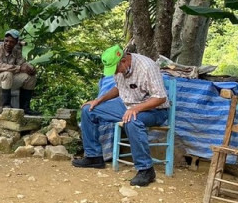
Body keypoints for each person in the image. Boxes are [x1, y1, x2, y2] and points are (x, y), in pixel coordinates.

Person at [72, 44, 169, 187]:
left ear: (123, 61)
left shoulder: (147, 67)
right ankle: (94, 157)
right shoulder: (121, 70)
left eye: (116, 69)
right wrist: (99, 100)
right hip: (127, 105)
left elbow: (160, 98)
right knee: (88, 110)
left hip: (155, 109)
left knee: (132, 120)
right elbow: (119, 88)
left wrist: (136, 109)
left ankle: (146, 169)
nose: (115, 73)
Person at [0, 29, 40, 115]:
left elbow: (22, 63)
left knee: (30, 78)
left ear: (16, 42)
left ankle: (25, 108)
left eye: (11, 42)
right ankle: (6, 106)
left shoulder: (16, 51)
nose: (8, 43)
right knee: (7, 74)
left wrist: (30, 68)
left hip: (6, 81)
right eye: (6, 41)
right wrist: (19, 68)